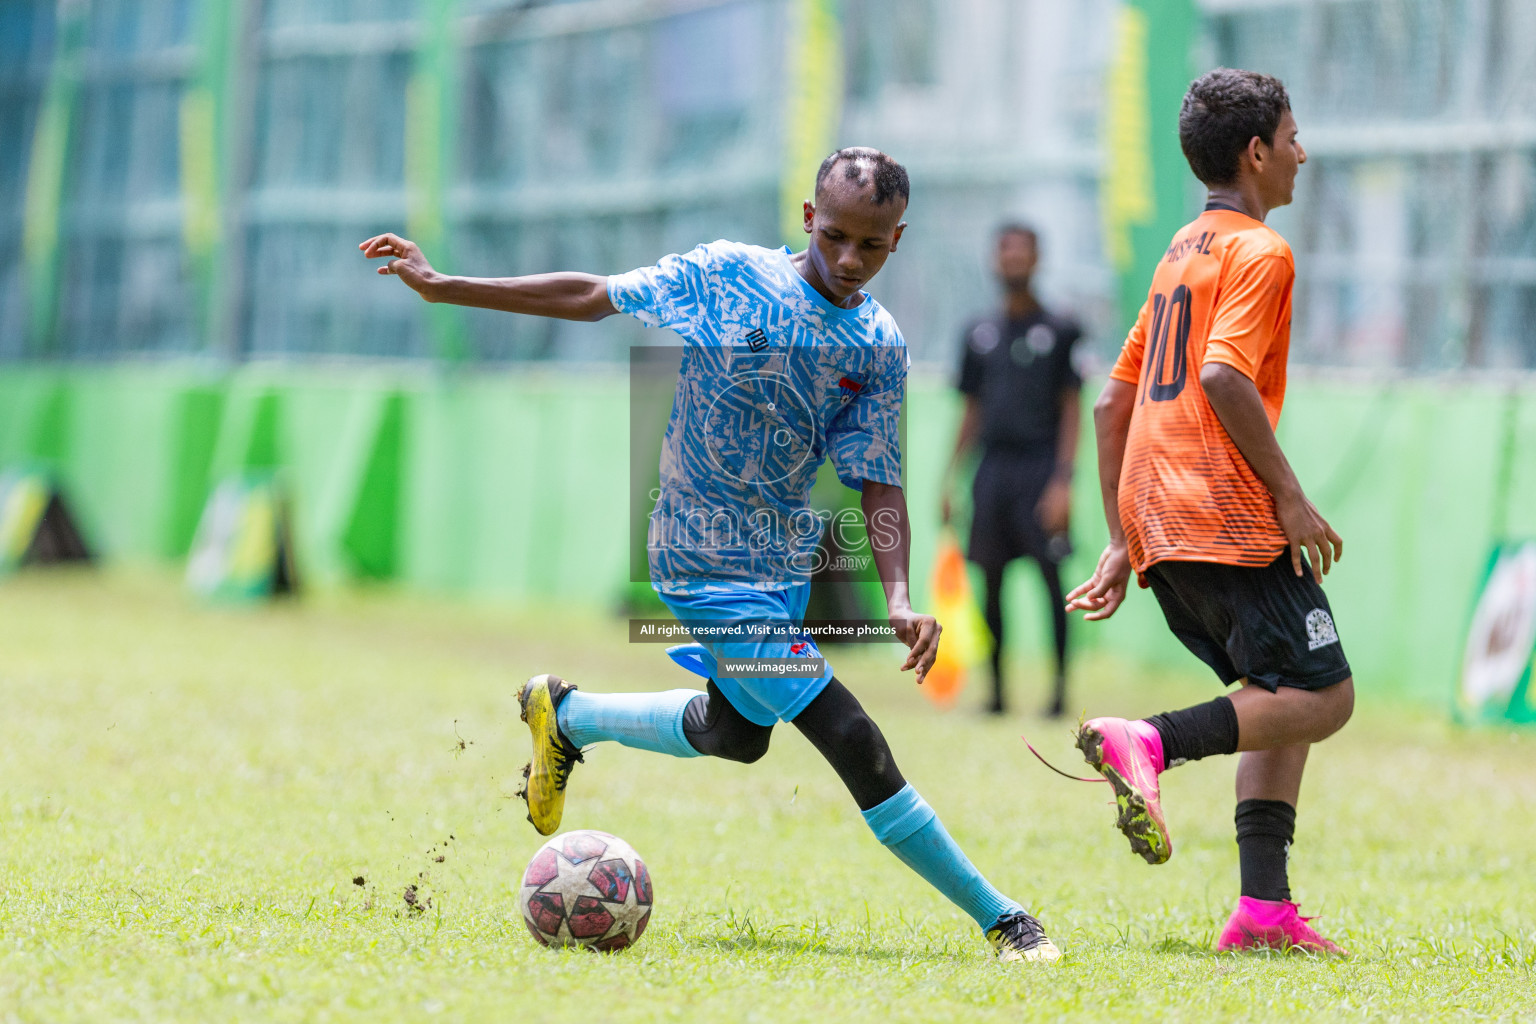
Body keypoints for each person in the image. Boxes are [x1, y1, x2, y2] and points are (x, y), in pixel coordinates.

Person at [361, 148, 1060, 963]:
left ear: (896, 241)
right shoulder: (729, 276)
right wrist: (447, 285)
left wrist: (898, 595)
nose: (846, 258)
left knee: (737, 734)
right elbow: (595, 296)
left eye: (869, 245)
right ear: (807, 217)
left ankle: (568, 713)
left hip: (781, 570)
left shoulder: (876, 342)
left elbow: (877, 478)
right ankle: (1004, 918)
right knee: (853, 738)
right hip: (697, 558)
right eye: (833, 235)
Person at [1065, 69, 1352, 954]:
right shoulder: (1260, 253)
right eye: (1293, 137)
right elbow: (1224, 376)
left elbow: (1113, 404)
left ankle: (1264, 911)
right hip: (1225, 515)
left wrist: (1122, 537)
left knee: (1279, 692)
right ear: (1257, 151)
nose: (1304, 153)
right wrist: (1290, 498)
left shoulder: (1180, 250)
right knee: (1326, 698)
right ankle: (1149, 742)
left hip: (1161, 517)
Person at [941, 224, 1081, 717]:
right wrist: (951, 478)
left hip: (1042, 468)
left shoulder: (1062, 328)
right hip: (992, 470)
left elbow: (1071, 406)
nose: (1012, 258)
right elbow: (971, 411)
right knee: (991, 582)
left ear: (1037, 258)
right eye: (1004, 250)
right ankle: (997, 694)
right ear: (994, 259)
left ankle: (1059, 692)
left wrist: (1064, 481)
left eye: (1022, 249)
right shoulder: (978, 333)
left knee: (1051, 581)